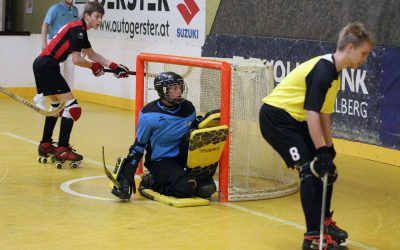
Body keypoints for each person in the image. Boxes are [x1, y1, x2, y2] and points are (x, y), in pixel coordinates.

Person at [259, 22, 374, 250]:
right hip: (277, 119)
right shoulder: (323, 70)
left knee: (326, 169)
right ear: (350, 48)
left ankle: (323, 223)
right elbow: (312, 112)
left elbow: (324, 113)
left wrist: (328, 149)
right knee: (310, 169)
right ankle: (313, 239)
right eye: (364, 53)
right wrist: (319, 150)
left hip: (294, 120)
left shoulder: (335, 74)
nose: (365, 59)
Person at [34, 1, 129, 165]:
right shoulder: (78, 30)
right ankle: (62, 149)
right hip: (48, 66)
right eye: (97, 17)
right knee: (73, 108)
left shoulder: (79, 30)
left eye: (101, 17)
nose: (99, 21)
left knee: (57, 107)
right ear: (87, 16)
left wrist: (114, 66)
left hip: (43, 64)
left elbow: (91, 54)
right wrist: (94, 67)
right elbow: (77, 60)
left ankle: (45, 144)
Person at [110, 72, 217, 200]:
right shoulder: (148, 115)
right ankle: (151, 181)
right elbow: (139, 146)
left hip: (182, 157)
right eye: (174, 88)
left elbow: (192, 136)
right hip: (160, 160)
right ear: (162, 90)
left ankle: (186, 179)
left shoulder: (188, 109)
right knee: (185, 189)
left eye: (180, 87)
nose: (179, 91)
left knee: (206, 189)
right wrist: (128, 171)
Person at [34, 0, 79, 109]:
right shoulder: (54, 9)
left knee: (69, 75)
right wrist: (44, 43)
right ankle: (40, 96)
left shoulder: (76, 11)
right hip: (55, 47)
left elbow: (77, 30)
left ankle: (67, 102)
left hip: (70, 48)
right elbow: (45, 24)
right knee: (51, 74)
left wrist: (80, 48)